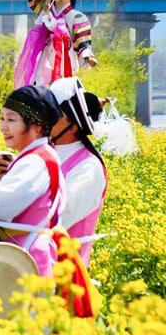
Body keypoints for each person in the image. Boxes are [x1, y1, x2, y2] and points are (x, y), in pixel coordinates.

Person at [0, 86, 64, 277]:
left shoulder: (37, 160)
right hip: (24, 251)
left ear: (36, 125)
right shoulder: (36, 155)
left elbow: (1, 203)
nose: (3, 127)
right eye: (2, 118)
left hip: (30, 255)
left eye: (11, 119)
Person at [49, 76, 108, 265]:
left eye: (53, 113)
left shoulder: (88, 168)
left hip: (66, 274)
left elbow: (60, 214)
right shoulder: (45, 151)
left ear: (72, 127)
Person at [15, 0, 97, 86]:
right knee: (37, 85)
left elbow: (81, 41)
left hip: (64, 61)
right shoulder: (46, 7)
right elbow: (33, 1)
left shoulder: (76, 17)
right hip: (43, 61)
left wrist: (87, 55)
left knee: (62, 89)